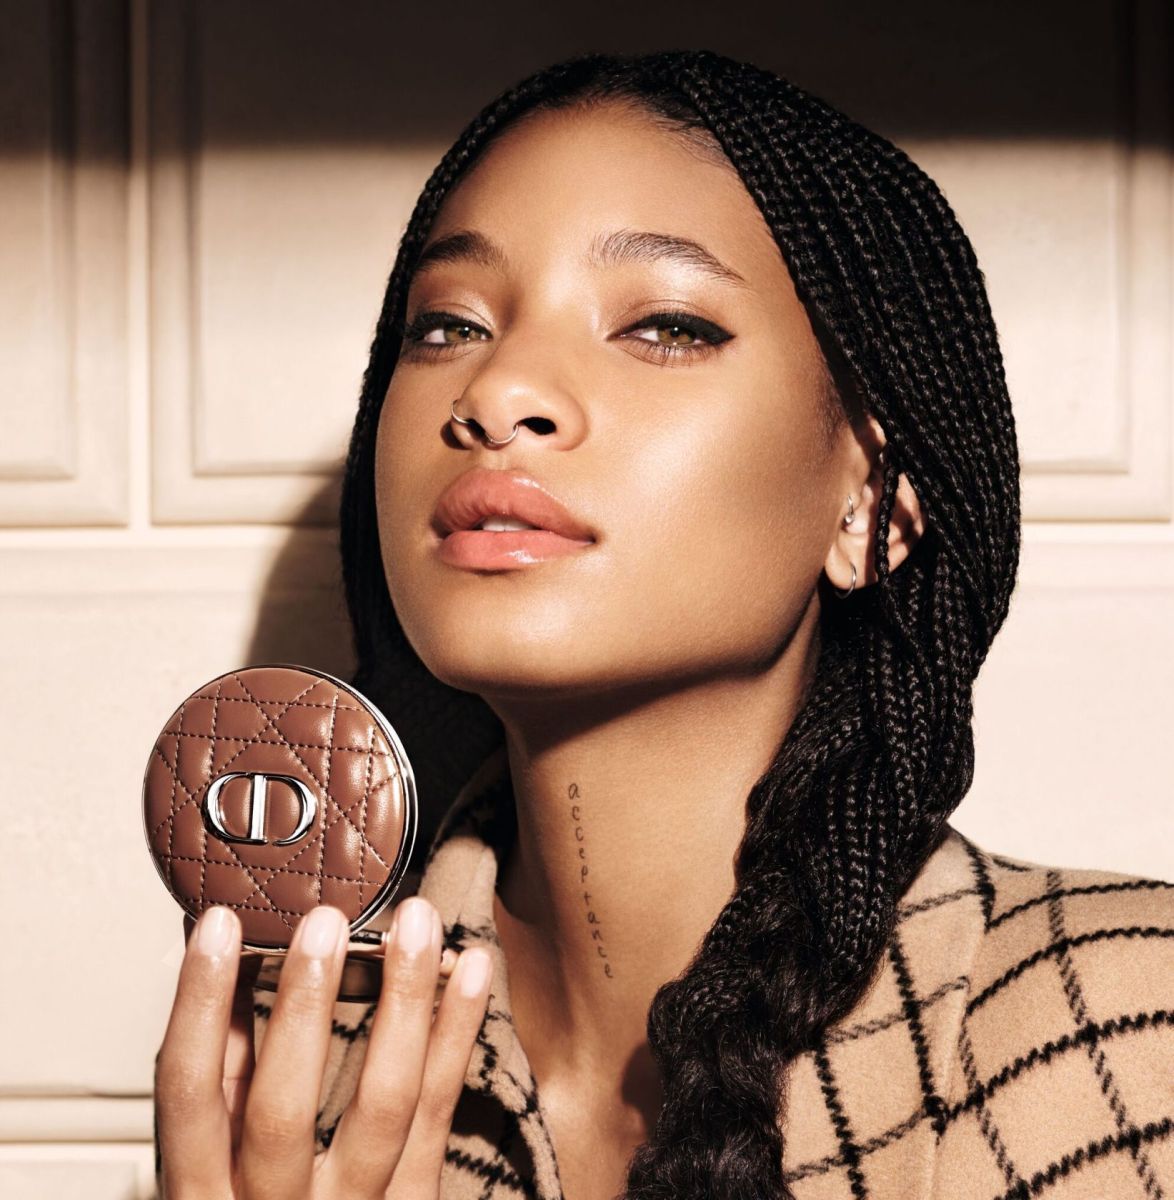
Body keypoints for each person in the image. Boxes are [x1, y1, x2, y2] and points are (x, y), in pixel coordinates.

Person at [152, 48, 1174, 1200]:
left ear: (872, 509)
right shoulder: (292, 1069)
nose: (497, 391)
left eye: (667, 327)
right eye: (447, 325)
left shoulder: (1119, 1030)